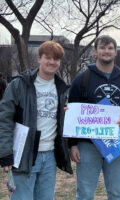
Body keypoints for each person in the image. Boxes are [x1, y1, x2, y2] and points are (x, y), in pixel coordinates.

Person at [68, 35, 120, 199]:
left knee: (115, 192)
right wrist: (72, 145)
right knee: (85, 193)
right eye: (102, 48)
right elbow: (72, 113)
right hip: (88, 145)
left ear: (115, 52)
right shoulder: (81, 79)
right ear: (95, 51)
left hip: (116, 142)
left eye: (110, 48)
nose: (106, 51)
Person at [0, 41, 73, 199]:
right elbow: (4, 120)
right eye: (48, 57)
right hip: (24, 155)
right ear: (39, 58)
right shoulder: (19, 84)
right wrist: (5, 153)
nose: (52, 62)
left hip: (50, 156)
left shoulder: (61, 88)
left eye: (56, 59)